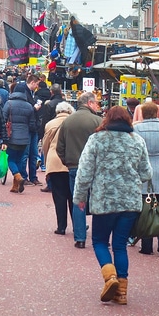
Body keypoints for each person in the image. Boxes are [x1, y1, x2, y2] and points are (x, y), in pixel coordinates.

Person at [72, 106, 151, 306]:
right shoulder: (137, 141)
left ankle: (110, 277)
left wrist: (80, 196)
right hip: (130, 202)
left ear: (106, 119)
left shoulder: (97, 140)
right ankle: (122, 292)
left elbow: (84, 172)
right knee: (120, 245)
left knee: (99, 241)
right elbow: (146, 173)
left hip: (104, 200)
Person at [56, 91, 102, 248]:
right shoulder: (98, 121)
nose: (98, 106)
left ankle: (80, 238)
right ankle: (98, 237)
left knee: (78, 202)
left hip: (74, 166)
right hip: (95, 167)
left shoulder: (68, 121)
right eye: (96, 103)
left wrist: (67, 161)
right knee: (97, 202)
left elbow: (59, 146)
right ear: (89, 103)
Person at [132, 100, 159, 257]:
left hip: (144, 174)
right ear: (157, 113)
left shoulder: (136, 129)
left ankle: (146, 245)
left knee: (144, 210)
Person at [42, 101, 75, 235]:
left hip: (55, 162)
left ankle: (61, 227)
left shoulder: (50, 124)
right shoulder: (74, 123)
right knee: (73, 195)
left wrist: (46, 161)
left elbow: (45, 145)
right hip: (72, 162)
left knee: (59, 195)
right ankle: (78, 224)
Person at [2, 81, 39, 193]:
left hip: (12, 137)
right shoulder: (29, 106)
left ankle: (18, 177)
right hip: (25, 138)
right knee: (19, 160)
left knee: (10, 159)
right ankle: (15, 186)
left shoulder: (9, 104)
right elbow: (32, 124)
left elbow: (3, 119)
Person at [21, 73, 45, 185]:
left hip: (33, 127)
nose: (37, 87)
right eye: (36, 84)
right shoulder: (24, 92)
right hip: (27, 127)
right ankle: (24, 177)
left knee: (34, 153)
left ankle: (33, 177)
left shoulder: (31, 93)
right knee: (26, 153)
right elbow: (24, 109)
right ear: (32, 82)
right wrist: (34, 108)